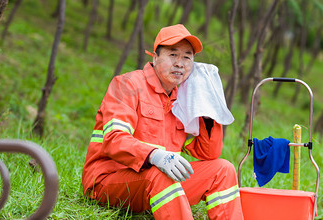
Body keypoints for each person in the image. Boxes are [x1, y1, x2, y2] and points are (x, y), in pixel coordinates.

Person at [82, 24, 244, 219]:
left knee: (223, 169)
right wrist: (154, 156)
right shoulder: (127, 84)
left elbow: (208, 153)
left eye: (187, 57)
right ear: (155, 57)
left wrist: (207, 109)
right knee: (161, 174)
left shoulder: (184, 98)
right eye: (173, 55)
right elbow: (114, 140)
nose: (180, 63)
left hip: (156, 186)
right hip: (109, 182)